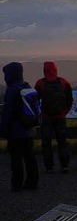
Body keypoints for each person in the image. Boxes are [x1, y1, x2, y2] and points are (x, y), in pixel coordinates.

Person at [0, 62, 39, 191]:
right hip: (28, 129)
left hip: (15, 131)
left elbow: (7, 113)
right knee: (29, 157)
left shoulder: (12, 90)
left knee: (16, 159)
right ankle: (32, 182)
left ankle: (17, 184)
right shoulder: (26, 86)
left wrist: (3, 131)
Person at [34, 61, 73, 173]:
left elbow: (35, 101)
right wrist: (64, 113)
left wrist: (41, 113)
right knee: (62, 142)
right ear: (56, 69)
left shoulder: (40, 83)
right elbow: (69, 101)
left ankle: (49, 167)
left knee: (46, 143)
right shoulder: (64, 82)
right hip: (60, 117)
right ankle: (65, 165)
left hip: (46, 118)